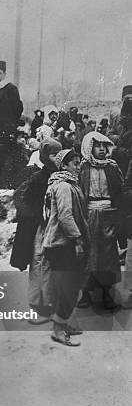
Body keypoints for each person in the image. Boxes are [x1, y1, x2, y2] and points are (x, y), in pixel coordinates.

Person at [10, 138, 62, 324]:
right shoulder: (39, 177)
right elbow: (20, 197)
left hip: (56, 226)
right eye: (53, 154)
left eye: (59, 154)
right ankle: (40, 305)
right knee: (40, 262)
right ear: (44, 156)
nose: (56, 158)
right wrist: (36, 215)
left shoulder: (62, 175)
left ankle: (49, 303)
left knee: (52, 264)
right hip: (41, 227)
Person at [42, 149, 88, 346]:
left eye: (79, 162)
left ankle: (61, 323)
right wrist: (77, 240)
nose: (78, 166)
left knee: (66, 286)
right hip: (62, 244)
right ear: (64, 166)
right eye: (74, 163)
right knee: (68, 287)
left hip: (61, 243)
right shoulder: (63, 187)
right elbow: (65, 216)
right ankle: (58, 329)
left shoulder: (65, 184)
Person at [77, 132, 125, 310]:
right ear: (89, 147)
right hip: (88, 215)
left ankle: (107, 292)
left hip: (108, 214)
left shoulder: (112, 167)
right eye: (98, 146)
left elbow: (120, 191)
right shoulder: (82, 168)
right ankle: (85, 292)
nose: (102, 150)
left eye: (105, 146)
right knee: (88, 253)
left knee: (108, 254)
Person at [0, 60, 24, 187]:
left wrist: (10, 126)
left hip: (6, 134)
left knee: (4, 163)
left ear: (5, 74)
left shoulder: (10, 88)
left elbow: (17, 109)